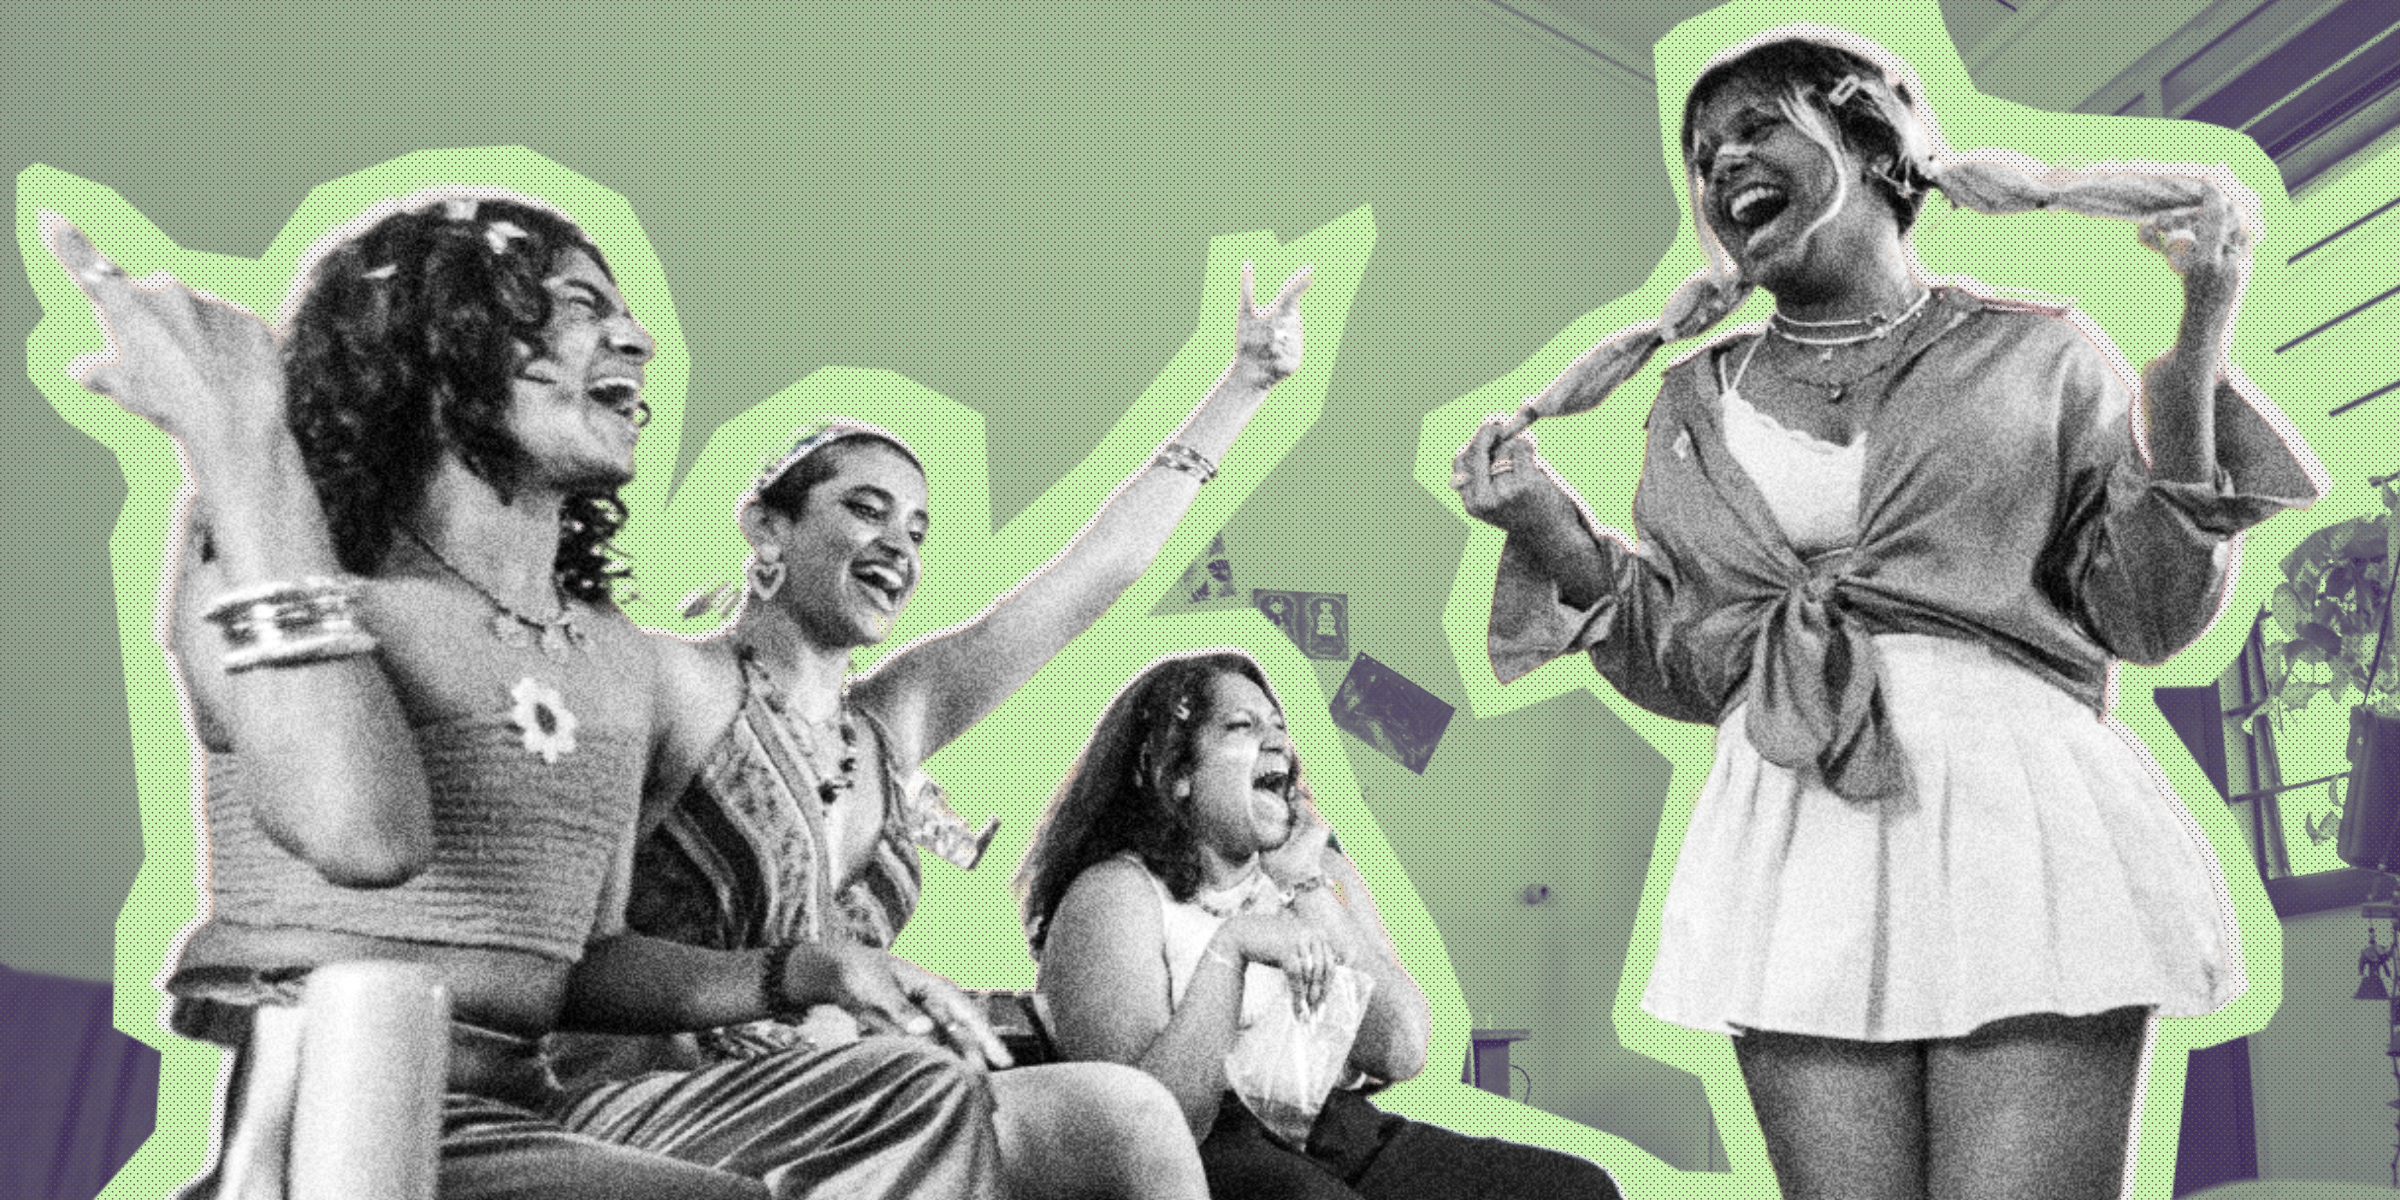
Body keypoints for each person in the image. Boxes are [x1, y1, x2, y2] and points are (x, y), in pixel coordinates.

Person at [1450, 34, 2318, 1200]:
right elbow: (1701, 670)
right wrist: (1554, 534)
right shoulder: (1687, 405)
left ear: (1871, 140)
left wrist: (2205, 327)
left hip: (2025, 817)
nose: (1721, 166)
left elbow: (2148, 615)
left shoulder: (2041, 351)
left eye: (1757, 127)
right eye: (1702, 154)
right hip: (1793, 829)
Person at [47, 196, 1011, 1199]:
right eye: (584, 305)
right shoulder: (272, 571)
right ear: (447, 337)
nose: (635, 338)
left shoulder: (607, 653)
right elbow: (364, 835)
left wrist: (805, 973)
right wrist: (244, 449)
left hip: (529, 1104)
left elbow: (582, 964)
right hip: (335, 1103)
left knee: (917, 1091)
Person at [574, 256, 1312, 1200]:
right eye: (865, 510)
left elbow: (1099, 574)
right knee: (1115, 1115)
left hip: (850, 1093)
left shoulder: (894, 721)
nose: (898, 548)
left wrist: (1243, 384)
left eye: (918, 531)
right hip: (662, 1104)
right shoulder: (679, 683)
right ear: (768, 528)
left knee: (1128, 1120)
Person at [1018, 651, 1625, 1200]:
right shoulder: (1114, 892)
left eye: (1278, 725)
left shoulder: (1312, 871)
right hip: (1208, 1153)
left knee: (1576, 1190)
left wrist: (1304, 884)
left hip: (1337, 1130)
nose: (1277, 741)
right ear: (1175, 773)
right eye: (1242, 727)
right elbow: (1146, 1125)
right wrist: (1234, 949)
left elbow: (1401, 1048)